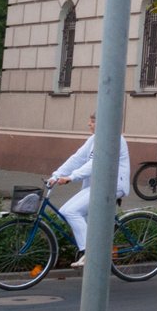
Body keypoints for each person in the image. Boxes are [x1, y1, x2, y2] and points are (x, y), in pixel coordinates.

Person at [47, 113, 131, 268]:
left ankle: (89, 253)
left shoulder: (114, 139)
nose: (89, 124)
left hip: (112, 186)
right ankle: (95, 246)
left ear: (103, 123)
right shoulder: (93, 140)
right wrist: (57, 174)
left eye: (92, 121)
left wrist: (71, 177)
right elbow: (77, 158)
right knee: (65, 212)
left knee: (71, 211)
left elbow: (95, 163)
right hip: (98, 186)